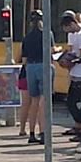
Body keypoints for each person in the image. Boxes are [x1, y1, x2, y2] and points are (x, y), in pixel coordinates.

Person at [17, 10, 54, 144]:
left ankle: (31, 133)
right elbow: (50, 52)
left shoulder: (27, 37)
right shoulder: (47, 34)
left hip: (30, 68)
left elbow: (23, 58)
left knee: (34, 102)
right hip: (43, 66)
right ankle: (43, 132)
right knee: (44, 101)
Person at [61, 11, 81, 142]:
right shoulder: (79, 34)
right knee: (74, 101)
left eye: (67, 28)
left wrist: (69, 62)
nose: (68, 32)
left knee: (77, 102)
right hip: (76, 73)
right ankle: (79, 126)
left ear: (72, 24)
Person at [17, 64, 30, 136]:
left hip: (24, 74)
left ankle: (22, 129)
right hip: (41, 73)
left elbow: (18, 59)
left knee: (25, 104)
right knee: (38, 104)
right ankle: (42, 131)